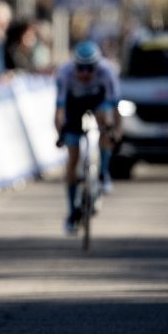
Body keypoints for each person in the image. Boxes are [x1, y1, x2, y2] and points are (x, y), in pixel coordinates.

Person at [54, 40, 121, 235]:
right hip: (74, 106)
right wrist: (60, 134)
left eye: (90, 68)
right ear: (74, 65)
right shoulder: (64, 74)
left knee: (106, 121)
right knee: (72, 156)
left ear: (97, 66)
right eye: (80, 68)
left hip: (98, 101)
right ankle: (72, 211)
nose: (84, 73)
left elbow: (116, 109)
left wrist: (116, 133)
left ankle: (103, 173)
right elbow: (59, 111)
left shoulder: (107, 72)